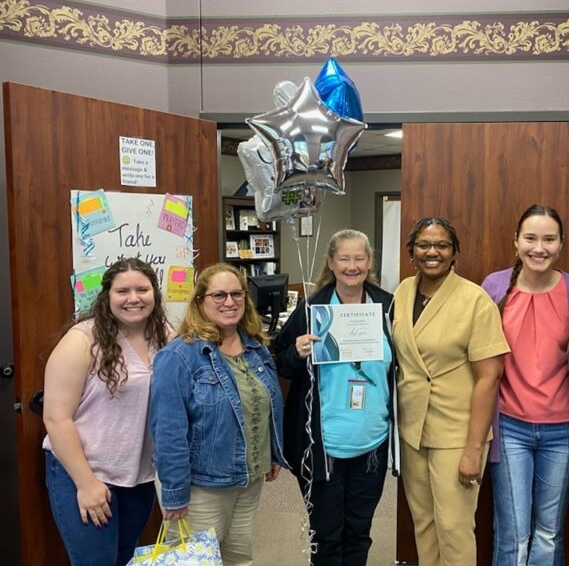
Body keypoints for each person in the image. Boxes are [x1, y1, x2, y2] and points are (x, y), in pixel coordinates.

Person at [150, 262, 287, 565]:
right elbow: (169, 431)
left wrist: (272, 454)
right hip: (203, 484)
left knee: (238, 558)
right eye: (219, 295)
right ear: (200, 301)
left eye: (237, 294)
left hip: (249, 478)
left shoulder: (256, 348)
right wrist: (174, 492)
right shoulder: (178, 357)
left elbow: (266, 405)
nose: (230, 302)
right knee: (198, 560)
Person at [274, 229, 396, 566]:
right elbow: (280, 361)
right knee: (326, 535)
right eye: (344, 258)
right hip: (322, 443)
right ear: (331, 262)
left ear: (369, 262)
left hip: (372, 439)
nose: (352, 266)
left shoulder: (387, 306)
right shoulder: (313, 307)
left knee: (359, 530)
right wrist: (297, 354)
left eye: (359, 258)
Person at [392, 217, 509, 566]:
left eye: (441, 245)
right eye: (424, 245)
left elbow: (490, 377)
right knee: (424, 524)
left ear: (454, 252)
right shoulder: (401, 293)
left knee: (455, 529)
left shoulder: (475, 301)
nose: (432, 252)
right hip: (412, 431)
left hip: (457, 433)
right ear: (411, 252)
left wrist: (474, 449)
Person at [42, 258, 170, 566]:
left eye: (142, 289)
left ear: (154, 292)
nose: (134, 298)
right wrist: (86, 484)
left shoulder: (165, 335)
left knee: (125, 558)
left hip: (137, 476)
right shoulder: (82, 340)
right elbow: (56, 418)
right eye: (122, 291)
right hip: (83, 473)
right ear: (107, 296)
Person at [481, 205, 569, 566]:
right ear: (516, 241)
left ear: (561, 244)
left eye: (549, 239)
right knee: (513, 535)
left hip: (563, 430)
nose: (540, 248)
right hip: (509, 427)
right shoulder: (494, 285)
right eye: (531, 238)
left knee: (549, 534)